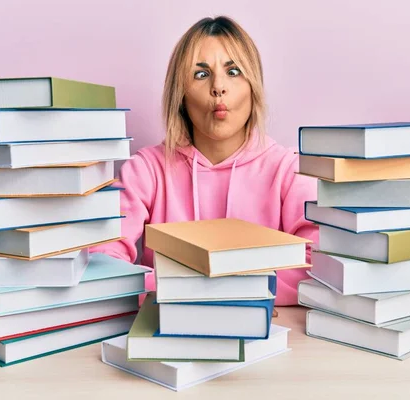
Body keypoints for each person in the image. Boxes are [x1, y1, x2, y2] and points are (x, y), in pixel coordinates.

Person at [90, 15, 319, 306]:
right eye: (201, 74)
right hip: (169, 337)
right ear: (180, 94)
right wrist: (208, 290)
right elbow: (103, 260)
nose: (218, 87)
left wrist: (188, 288)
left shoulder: (291, 171)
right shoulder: (146, 170)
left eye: (234, 71)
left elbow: (316, 269)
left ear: (254, 86)